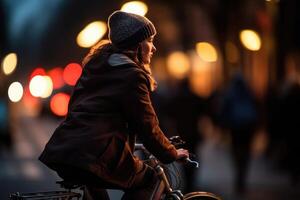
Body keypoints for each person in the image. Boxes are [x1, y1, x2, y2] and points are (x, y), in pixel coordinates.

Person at [39, 10, 189, 200]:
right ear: (137, 46)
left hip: (67, 150)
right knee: (150, 179)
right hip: (93, 156)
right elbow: (147, 126)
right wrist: (171, 153)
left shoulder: (95, 68)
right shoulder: (132, 76)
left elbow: (81, 111)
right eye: (150, 40)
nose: (153, 48)